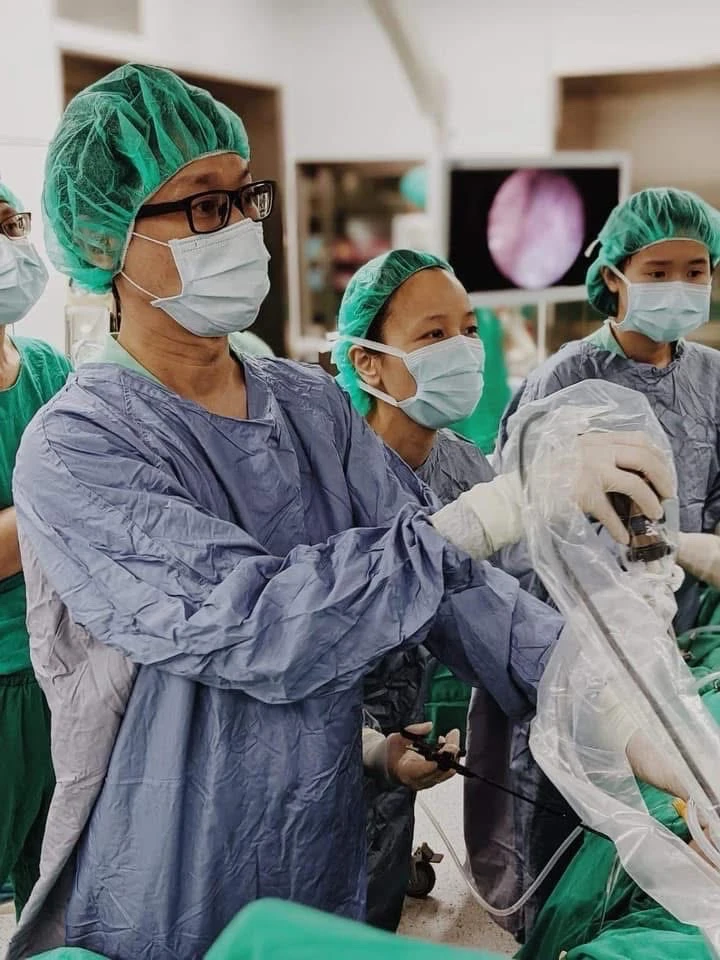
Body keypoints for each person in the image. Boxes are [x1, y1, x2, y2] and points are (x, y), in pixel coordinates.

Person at [9, 64, 673, 960]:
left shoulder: (306, 404)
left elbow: (453, 590)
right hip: (170, 861)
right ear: (106, 237)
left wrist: (632, 724)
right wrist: (497, 507)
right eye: (205, 205)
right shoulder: (77, 447)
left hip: (315, 836)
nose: (241, 226)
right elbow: (256, 622)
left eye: (245, 197)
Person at [333, 249, 562, 940]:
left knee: (375, 915)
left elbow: (511, 601)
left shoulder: (461, 463)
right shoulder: (327, 473)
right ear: (368, 362)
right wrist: (366, 747)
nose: (462, 349)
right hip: (312, 752)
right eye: (433, 335)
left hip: (400, 744)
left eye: (466, 329)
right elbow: (307, 636)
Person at [509, 187, 720, 635]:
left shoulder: (712, 375)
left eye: (694, 272)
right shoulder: (565, 378)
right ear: (612, 276)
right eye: (658, 273)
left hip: (689, 622)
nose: (678, 286)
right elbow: (531, 524)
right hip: (589, 630)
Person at [0, 179, 71, 918]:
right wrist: (63, 499)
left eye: (9, 223)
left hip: (64, 668)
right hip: (0, 679)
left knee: (54, 892)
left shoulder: (49, 369)